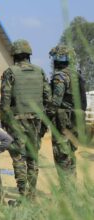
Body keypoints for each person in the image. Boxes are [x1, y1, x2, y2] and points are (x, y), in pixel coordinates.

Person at [0, 39, 51, 201]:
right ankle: (32, 193)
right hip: (36, 122)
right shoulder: (40, 71)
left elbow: (5, 102)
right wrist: (44, 124)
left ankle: (22, 192)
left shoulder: (10, 72)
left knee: (18, 157)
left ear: (14, 55)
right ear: (28, 55)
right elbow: (48, 100)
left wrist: (5, 123)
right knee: (32, 156)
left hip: (17, 121)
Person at [48, 45, 85, 188]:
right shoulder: (77, 75)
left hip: (63, 123)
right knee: (70, 155)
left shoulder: (60, 76)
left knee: (61, 157)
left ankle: (66, 191)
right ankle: (72, 189)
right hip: (75, 122)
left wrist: (46, 118)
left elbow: (56, 101)